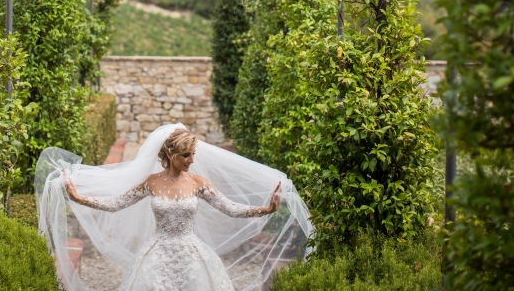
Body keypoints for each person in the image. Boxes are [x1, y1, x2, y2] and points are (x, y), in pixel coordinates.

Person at [35, 123, 313, 291]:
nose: (192, 159)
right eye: (186, 155)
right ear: (170, 154)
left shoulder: (198, 182)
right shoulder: (151, 183)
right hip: (156, 253)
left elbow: (230, 208)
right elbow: (115, 203)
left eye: (193, 154)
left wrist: (266, 209)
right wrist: (78, 197)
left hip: (191, 253)